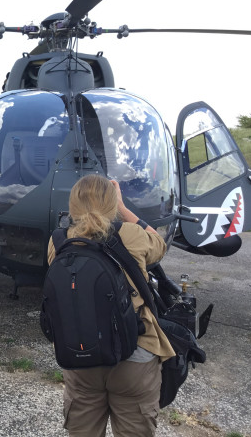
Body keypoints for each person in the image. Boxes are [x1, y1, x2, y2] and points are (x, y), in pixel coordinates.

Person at [47, 174, 175, 436]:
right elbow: (160, 246)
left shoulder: (58, 241)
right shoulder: (131, 234)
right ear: (112, 204)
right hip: (135, 353)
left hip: (80, 353)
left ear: (72, 205)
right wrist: (125, 210)